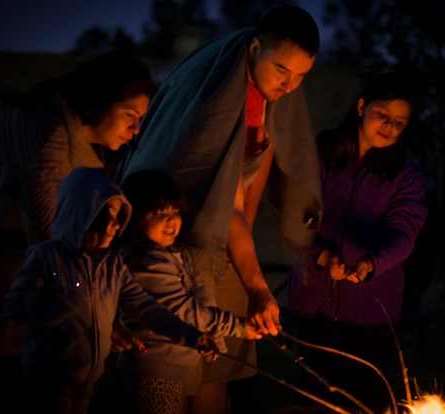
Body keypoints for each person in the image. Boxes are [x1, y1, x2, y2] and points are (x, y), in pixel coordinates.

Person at [114, 6, 322, 412]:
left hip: (225, 247)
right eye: (282, 70)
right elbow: (221, 201)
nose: (290, 85)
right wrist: (259, 286)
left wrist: (244, 266)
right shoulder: (217, 99)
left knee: (218, 374)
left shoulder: (267, 99)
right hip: (178, 254)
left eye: (301, 76)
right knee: (177, 376)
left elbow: (246, 192)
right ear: (256, 47)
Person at [0, 50, 156, 410]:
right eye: (130, 116)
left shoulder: (85, 149)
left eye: (141, 120)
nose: (136, 131)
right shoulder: (44, 132)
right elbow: (53, 234)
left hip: (9, 258)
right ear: (99, 100)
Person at [2, 166, 221, 414]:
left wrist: (193, 336)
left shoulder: (111, 267)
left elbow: (147, 308)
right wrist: (62, 309)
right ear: (85, 214)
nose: (118, 225)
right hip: (50, 381)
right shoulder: (47, 258)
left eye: (120, 217)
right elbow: (16, 306)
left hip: (86, 384)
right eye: (111, 216)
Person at [286, 71, 429, 413]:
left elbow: (405, 231)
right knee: (314, 402)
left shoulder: (405, 175)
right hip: (312, 307)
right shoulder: (321, 154)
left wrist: (372, 263)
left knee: (363, 404)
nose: (390, 128)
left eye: (400, 122)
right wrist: (320, 257)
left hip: (370, 315)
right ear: (362, 105)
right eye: (383, 116)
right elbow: (292, 215)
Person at [106, 168, 260, 414]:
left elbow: (200, 294)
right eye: (160, 213)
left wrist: (215, 339)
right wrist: (239, 327)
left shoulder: (177, 253)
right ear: (134, 217)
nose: (171, 221)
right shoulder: (146, 263)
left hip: (171, 365)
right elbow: (184, 309)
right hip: (153, 366)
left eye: (175, 212)